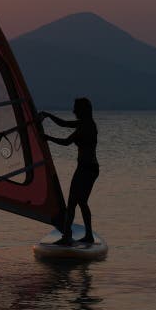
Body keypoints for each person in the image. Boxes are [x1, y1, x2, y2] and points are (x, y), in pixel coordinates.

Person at [40, 98, 99, 245]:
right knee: (81, 202)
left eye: (76, 109)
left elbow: (66, 142)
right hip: (89, 168)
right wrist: (48, 115)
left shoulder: (85, 127)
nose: (73, 111)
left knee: (73, 202)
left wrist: (47, 138)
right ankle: (88, 235)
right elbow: (64, 124)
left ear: (82, 110)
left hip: (86, 169)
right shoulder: (86, 123)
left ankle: (67, 237)